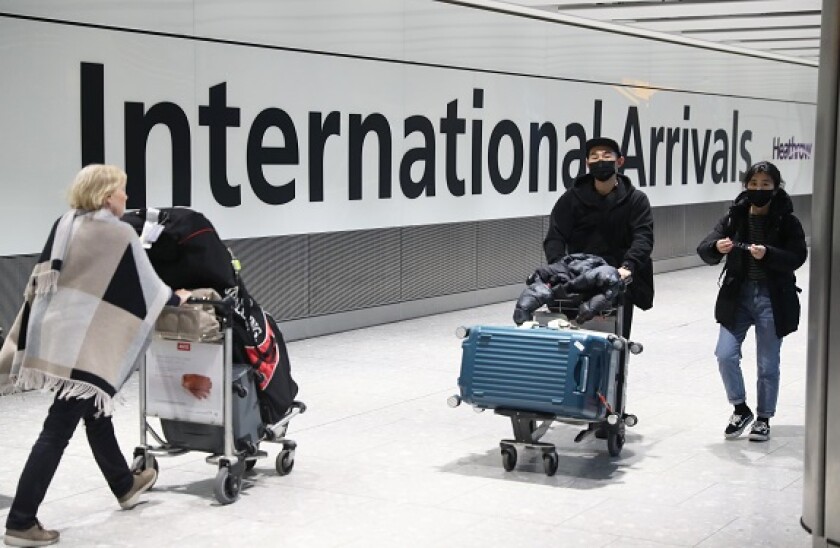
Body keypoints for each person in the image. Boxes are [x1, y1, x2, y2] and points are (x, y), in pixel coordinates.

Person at [0, 164, 192, 547]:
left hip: (57, 334)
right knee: (56, 431)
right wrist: (177, 298)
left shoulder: (65, 224)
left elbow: (45, 277)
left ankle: (124, 485)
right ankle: (21, 520)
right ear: (107, 196)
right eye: (122, 191)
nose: (125, 198)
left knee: (96, 413)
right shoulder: (118, 233)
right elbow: (147, 287)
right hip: (82, 349)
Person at [697, 161, 806, 442]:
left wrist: (768, 253)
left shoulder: (787, 220)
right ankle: (740, 408)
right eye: (754, 184)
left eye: (765, 185)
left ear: (776, 187)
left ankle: (764, 418)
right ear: (746, 185)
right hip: (738, 296)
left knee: (768, 365)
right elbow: (704, 248)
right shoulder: (734, 217)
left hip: (773, 298)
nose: (759, 189)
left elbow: (797, 257)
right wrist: (716, 247)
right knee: (725, 354)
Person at [543, 137, 654, 338]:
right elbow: (555, 236)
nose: (600, 160)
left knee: (615, 340)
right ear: (587, 163)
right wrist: (559, 266)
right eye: (594, 156)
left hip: (616, 277)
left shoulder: (636, 199)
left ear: (619, 162)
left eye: (606, 156)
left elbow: (643, 237)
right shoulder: (571, 199)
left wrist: (628, 266)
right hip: (578, 276)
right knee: (572, 336)